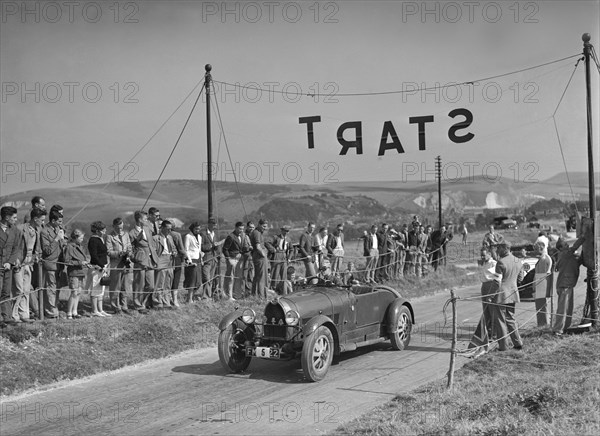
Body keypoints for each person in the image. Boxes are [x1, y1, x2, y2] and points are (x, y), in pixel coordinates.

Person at [464, 248, 501, 357]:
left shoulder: (493, 264)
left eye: (484, 255)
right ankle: (488, 333)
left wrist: (491, 293)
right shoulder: (485, 263)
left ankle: (494, 334)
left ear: (489, 254)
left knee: (492, 311)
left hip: (490, 285)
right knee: (486, 312)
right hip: (484, 286)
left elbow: (497, 279)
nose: (482, 257)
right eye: (481, 255)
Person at [11, 209, 44, 323]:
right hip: (19, 263)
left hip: (29, 263)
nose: (43, 222)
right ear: (35, 219)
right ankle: (14, 315)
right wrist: (15, 259)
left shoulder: (37, 230)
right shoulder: (20, 228)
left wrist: (36, 256)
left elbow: (36, 247)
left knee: (26, 290)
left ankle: (24, 314)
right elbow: (13, 246)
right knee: (18, 289)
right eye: (42, 220)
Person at [493, 243, 524, 351]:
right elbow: (520, 278)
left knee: (500, 320)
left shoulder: (501, 262)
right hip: (513, 293)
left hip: (501, 294)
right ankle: (518, 342)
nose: (497, 251)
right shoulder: (518, 261)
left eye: (499, 249)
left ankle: (503, 346)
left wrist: (490, 295)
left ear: (504, 249)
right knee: (511, 318)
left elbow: (497, 281)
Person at [129, 211, 158, 314]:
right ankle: (138, 305)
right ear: (140, 220)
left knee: (151, 285)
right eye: (145, 219)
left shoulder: (147, 229)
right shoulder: (132, 233)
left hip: (150, 259)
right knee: (138, 284)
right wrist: (134, 257)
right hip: (140, 260)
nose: (146, 221)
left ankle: (143, 302)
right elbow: (130, 248)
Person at [552, 238, 582, 335]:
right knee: (562, 309)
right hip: (564, 285)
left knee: (569, 308)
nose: (567, 246)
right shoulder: (565, 254)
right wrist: (584, 236)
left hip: (568, 284)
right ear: (560, 248)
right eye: (565, 245)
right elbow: (575, 246)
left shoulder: (568, 255)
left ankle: (565, 328)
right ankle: (557, 330)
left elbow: (577, 260)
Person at [40, 209, 66, 319]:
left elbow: (62, 246)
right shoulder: (44, 232)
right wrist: (56, 239)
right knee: (50, 288)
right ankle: (50, 311)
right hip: (50, 264)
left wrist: (63, 240)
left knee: (57, 288)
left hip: (59, 264)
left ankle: (55, 307)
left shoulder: (58, 229)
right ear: (53, 220)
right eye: (59, 221)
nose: (61, 224)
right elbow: (47, 251)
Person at [105, 217, 133, 314]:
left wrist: (129, 252)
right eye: (118, 228)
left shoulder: (126, 235)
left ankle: (124, 305)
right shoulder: (109, 237)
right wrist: (119, 253)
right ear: (113, 227)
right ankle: (116, 307)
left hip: (126, 264)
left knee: (125, 286)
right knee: (115, 287)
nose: (120, 230)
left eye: (121, 228)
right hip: (115, 264)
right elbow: (108, 251)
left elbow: (129, 246)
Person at [0, 206, 21, 325]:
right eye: (14, 217)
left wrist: (10, 262)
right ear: (7, 218)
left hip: (8, 266)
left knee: (6, 291)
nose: (16, 219)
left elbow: (15, 248)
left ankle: (6, 316)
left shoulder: (15, 230)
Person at [63, 229, 89, 319]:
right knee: (74, 292)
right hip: (73, 273)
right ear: (75, 237)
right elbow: (67, 261)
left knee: (78, 293)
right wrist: (80, 263)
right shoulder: (69, 247)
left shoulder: (80, 246)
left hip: (80, 272)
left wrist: (85, 263)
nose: (82, 239)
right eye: (81, 238)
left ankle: (75, 311)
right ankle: (69, 312)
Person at [87, 221, 111, 317]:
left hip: (103, 267)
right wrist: (102, 265)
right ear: (97, 231)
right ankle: (94, 310)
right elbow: (94, 256)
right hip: (97, 268)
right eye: (102, 229)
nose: (105, 231)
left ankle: (100, 309)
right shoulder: (93, 240)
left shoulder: (100, 239)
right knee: (95, 289)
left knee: (101, 289)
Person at [153, 220, 176, 309]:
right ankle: (157, 302)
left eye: (170, 229)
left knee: (168, 282)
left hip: (170, 260)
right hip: (161, 259)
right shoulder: (156, 238)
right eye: (167, 229)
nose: (169, 231)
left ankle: (166, 302)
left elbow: (174, 248)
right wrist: (156, 262)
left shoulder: (170, 237)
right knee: (159, 282)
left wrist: (174, 252)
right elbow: (154, 252)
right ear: (162, 228)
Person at [222, 222, 247, 301]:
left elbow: (241, 248)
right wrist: (228, 258)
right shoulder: (230, 237)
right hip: (232, 259)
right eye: (240, 229)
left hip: (240, 259)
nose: (241, 230)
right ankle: (228, 296)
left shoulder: (242, 236)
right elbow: (225, 249)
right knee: (230, 278)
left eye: (242, 229)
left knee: (238, 277)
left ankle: (236, 294)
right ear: (236, 228)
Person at [533, 238, 553, 327]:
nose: (535, 251)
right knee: (540, 306)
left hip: (542, 284)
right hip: (540, 284)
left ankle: (544, 324)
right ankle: (541, 323)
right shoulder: (542, 258)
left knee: (542, 306)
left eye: (536, 249)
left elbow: (545, 273)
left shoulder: (545, 258)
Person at [266, 225, 293, 289]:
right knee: (275, 273)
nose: (286, 232)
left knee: (284, 275)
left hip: (284, 256)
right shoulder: (276, 237)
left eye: (287, 231)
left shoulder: (288, 239)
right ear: (281, 230)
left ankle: (283, 290)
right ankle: (273, 289)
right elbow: (267, 243)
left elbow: (292, 249)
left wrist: (289, 258)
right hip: (277, 255)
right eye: (285, 230)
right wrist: (273, 249)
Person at [200, 218, 220, 300]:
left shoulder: (215, 234)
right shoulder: (203, 234)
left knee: (211, 278)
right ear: (209, 224)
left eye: (215, 224)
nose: (215, 225)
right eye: (213, 224)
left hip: (214, 258)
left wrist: (217, 247)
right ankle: (205, 296)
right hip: (206, 258)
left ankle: (208, 295)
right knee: (206, 278)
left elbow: (217, 247)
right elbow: (201, 247)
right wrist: (211, 246)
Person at [183, 221, 203, 303]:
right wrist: (189, 261)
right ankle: (189, 299)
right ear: (192, 228)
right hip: (192, 260)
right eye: (196, 229)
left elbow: (199, 250)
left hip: (198, 259)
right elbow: (186, 249)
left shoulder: (199, 237)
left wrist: (201, 259)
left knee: (198, 281)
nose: (197, 230)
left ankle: (190, 297)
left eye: (199, 229)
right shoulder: (188, 236)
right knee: (192, 280)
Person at [250, 219, 269, 298]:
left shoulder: (258, 232)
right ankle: (261, 296)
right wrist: (263, 254)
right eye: (263, 226)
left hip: (258, 256)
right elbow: (258, 247)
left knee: (258, 276)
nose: (265, 228)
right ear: (259, 224)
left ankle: (255, 294)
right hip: (259, 257)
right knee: (262, 277)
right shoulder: (257, 233)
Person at [170, 226, 186, 307]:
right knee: (176, 280)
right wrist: (185, 257)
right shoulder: (177, 235)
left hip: (167, 259)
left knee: (168, 280)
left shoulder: (161, 234)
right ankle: (175, 300)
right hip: (177, 259)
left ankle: (167, 298)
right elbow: (181, 248)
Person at [242, 221, 255, 296]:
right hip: (246, 257)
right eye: (250, 227)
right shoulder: (244, 235)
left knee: (251, 274)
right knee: (244, 274)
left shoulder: (254, 235)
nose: (252, 229)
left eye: (253, 227)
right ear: (247, 227)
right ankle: (244, 290)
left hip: (252, 257)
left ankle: (250, 290)